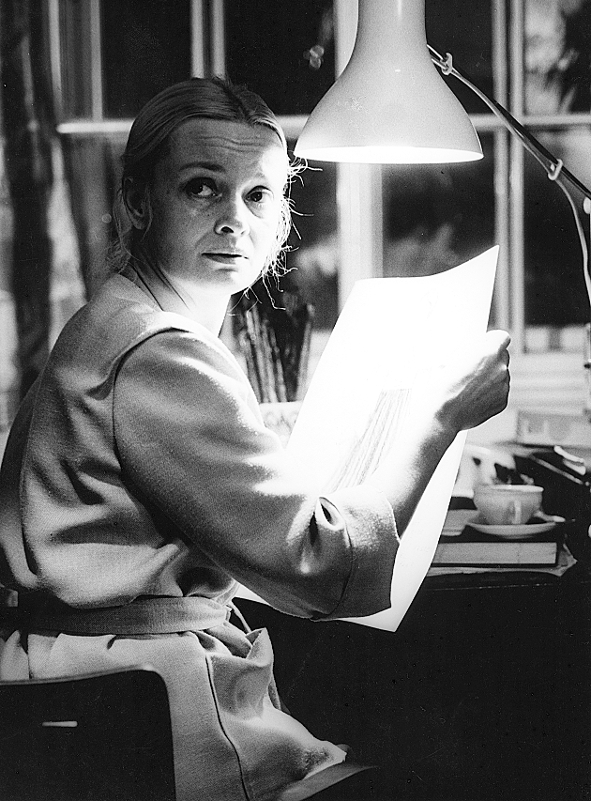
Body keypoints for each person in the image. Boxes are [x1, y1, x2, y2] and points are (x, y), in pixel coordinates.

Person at [0, 77, 510, 801]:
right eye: (202, 188)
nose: (234, 220)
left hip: (97, 690)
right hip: (144, 710)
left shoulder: (115, 320)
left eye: (258, 195)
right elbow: (318, 566)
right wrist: (439, 420)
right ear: (139, 202)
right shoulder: (158, 350)